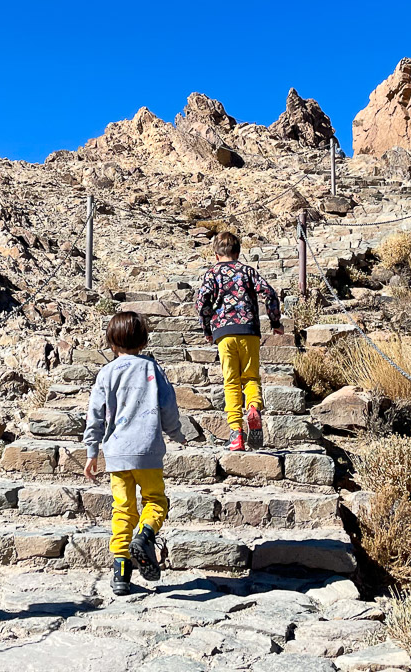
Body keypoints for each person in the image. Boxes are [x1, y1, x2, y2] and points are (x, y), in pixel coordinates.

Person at [83, 310, 185, 595]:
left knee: (123, 510)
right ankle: (145, 535)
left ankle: (121, 575)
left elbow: (95, 415)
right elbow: (168, 406)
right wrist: (177, 433)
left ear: (111, 342)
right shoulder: (152, 369)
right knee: (156, 501)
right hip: (148, 451)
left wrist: (92, 451)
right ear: (143, 341)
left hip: (116, 454)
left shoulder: (106, 372)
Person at [195, 229, 282, 452]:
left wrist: (207, 328)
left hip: (224, 333)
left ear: (216, 254)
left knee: (231, 381)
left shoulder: (212, 274)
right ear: (238, 252)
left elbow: (202, 301)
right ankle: (253, 407)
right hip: (250, 331)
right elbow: (269, 293)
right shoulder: (247, 271)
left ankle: (236, 434)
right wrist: (275, 322)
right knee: (251, 377)